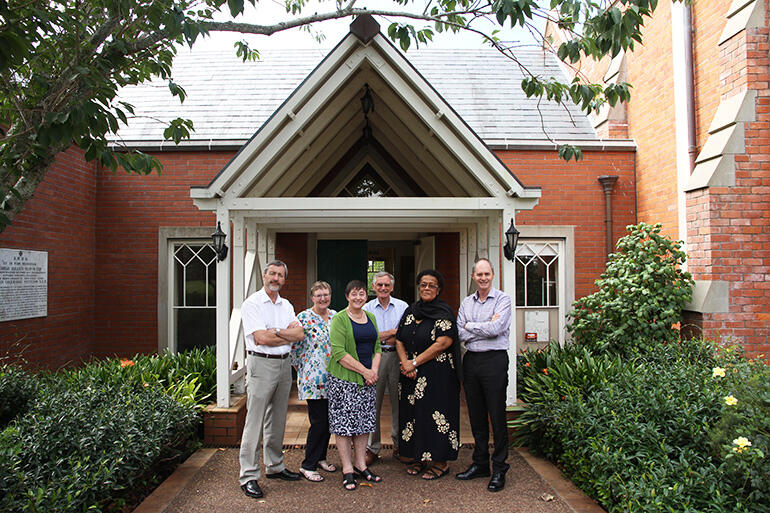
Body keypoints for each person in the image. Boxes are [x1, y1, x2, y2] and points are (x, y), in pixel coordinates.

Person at [239, 260, 305, 499]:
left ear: (284, 280)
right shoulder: (252, 303)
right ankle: (248, 475)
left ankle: (275, 466)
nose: (276, 278)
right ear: (264, 275)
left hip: (284, 365)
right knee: (254, 422)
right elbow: (261, 339)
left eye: (280, 275)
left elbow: (299, 334)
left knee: (277, 419)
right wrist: (282, 335)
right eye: (272, 274)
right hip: (261, 363)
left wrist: (275, 332)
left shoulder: (286, 304)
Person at [395, 269, 461, 481]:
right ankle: (419, 458)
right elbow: (399, 338)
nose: (426, 288)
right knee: (414, 416)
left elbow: (443, 343)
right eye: (423, 284)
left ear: (439, 289)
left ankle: (440, 462)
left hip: (437, 375)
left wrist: (414, 362)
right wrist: (406, 363)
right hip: (410, 375)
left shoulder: (444, 312)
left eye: (431, 285)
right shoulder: (411, 310)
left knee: (436, 416)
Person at [455, 258, 512, 492]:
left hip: (494, 361)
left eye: (486, 274)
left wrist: (471, 327)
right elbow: (459, 331)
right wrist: (481, 327)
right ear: (473, 277)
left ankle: (499, 467)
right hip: (472, 361)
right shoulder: (466, 302)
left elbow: (496, 329)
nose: (483, 278)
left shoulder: (503, 299)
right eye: (479, 274)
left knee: (497, 416)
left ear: (493, 275)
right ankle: (480, 464)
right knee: (477, 416)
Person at [327, 280, 383, 491]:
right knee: (344, 425)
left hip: (368, 380)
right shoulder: (340, 319)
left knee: (363, 423)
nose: (358, 297)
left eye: (362, 294)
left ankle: (361, 464)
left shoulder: (371, 317)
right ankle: (348, 469)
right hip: (344, 380)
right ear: (347, 296)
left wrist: (374, 371)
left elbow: (377, 346)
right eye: (354, 294)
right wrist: (365, 372)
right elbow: (339, 353)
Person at [291, 281, 338, 482]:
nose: (323, 298)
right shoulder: (303, 318)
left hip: (334, 378)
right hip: (313, 379)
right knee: (318, 422)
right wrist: (303, 371)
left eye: (326, 295)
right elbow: (294, 349)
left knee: (328, 421)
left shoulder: (336, 317)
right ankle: (307, 465)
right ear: (312, 297)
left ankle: (321, 458)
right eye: (318, 295)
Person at [363, 271, 409, 466]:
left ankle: (400, 445)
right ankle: (373, 448)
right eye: (379, 285)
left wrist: (383, 336)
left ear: (392, 287)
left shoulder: (403, 307)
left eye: (386, 285)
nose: (383, 288)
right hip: (375, 358)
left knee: (400, 403)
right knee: (373, 403)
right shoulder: (365, 308)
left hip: (397, 356)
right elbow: (367, 337)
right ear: (373, 287)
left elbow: (405, 335)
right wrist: (391, 332)